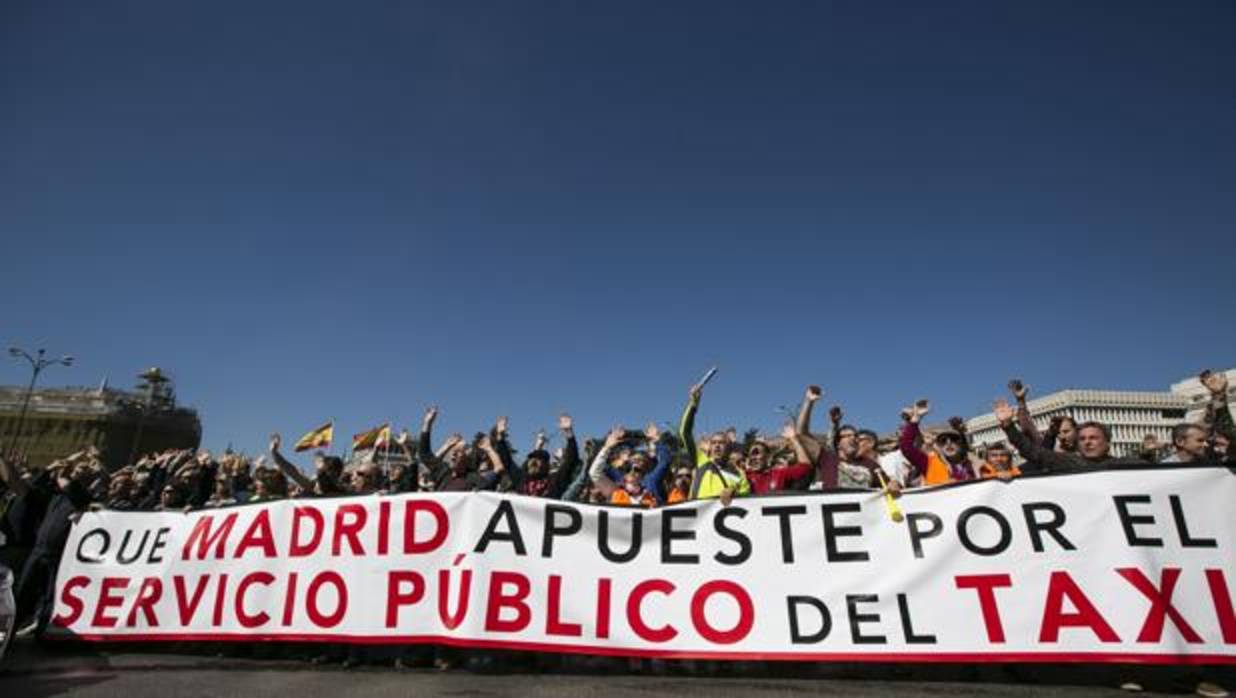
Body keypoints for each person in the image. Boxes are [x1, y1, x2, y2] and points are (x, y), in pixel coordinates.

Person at [992, 398, 1146, 472]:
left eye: (1093, 438)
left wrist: (1149, 454)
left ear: (1107, 443)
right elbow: (1032, 451)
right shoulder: (1068, 462)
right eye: (1083, 439)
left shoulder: (1124, 466)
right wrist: (1008, 426)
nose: (1087, 442)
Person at [680, 380, 750, 504]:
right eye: (714, 442)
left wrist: (734, 492)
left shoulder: (739, 474)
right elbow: (685, 432)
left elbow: (748, 500)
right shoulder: (701, 461)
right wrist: (693, 405)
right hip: (697, 522)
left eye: (721, 443)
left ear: (729, 448)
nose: (717, 445)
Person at [589, 424, 671, 507]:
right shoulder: (615, 491)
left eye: (637, 469)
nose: (632, 471)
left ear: (643, 474)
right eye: (628, 468)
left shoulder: (650, 486)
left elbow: (664, 463)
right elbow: (594, 472)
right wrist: (606, 448)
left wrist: (657, 441)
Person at [898, 400, 976, 485]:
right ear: (938, 446)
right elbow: (906, 447)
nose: (948, 443)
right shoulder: (929, 463)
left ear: (960, 444)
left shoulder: (976, 465)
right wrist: (916, 418)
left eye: (954, 439)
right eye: (943, 441)